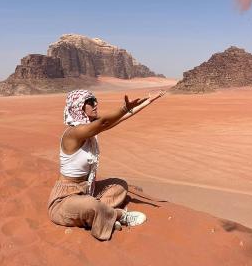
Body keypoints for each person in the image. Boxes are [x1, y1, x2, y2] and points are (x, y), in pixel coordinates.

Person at [48, 88, 165, 241]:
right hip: (65, 199)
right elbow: (105, 121)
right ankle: (118, 215)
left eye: (95, 100)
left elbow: (117, 119)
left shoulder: (90, 129)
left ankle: (101, 214)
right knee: (90, 205)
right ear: (78, 107)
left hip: (88, 190)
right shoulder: (74, 133)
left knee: (120, 185)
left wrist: (148, 101)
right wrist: (124, 107)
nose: (95, 104)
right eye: (90, 102)